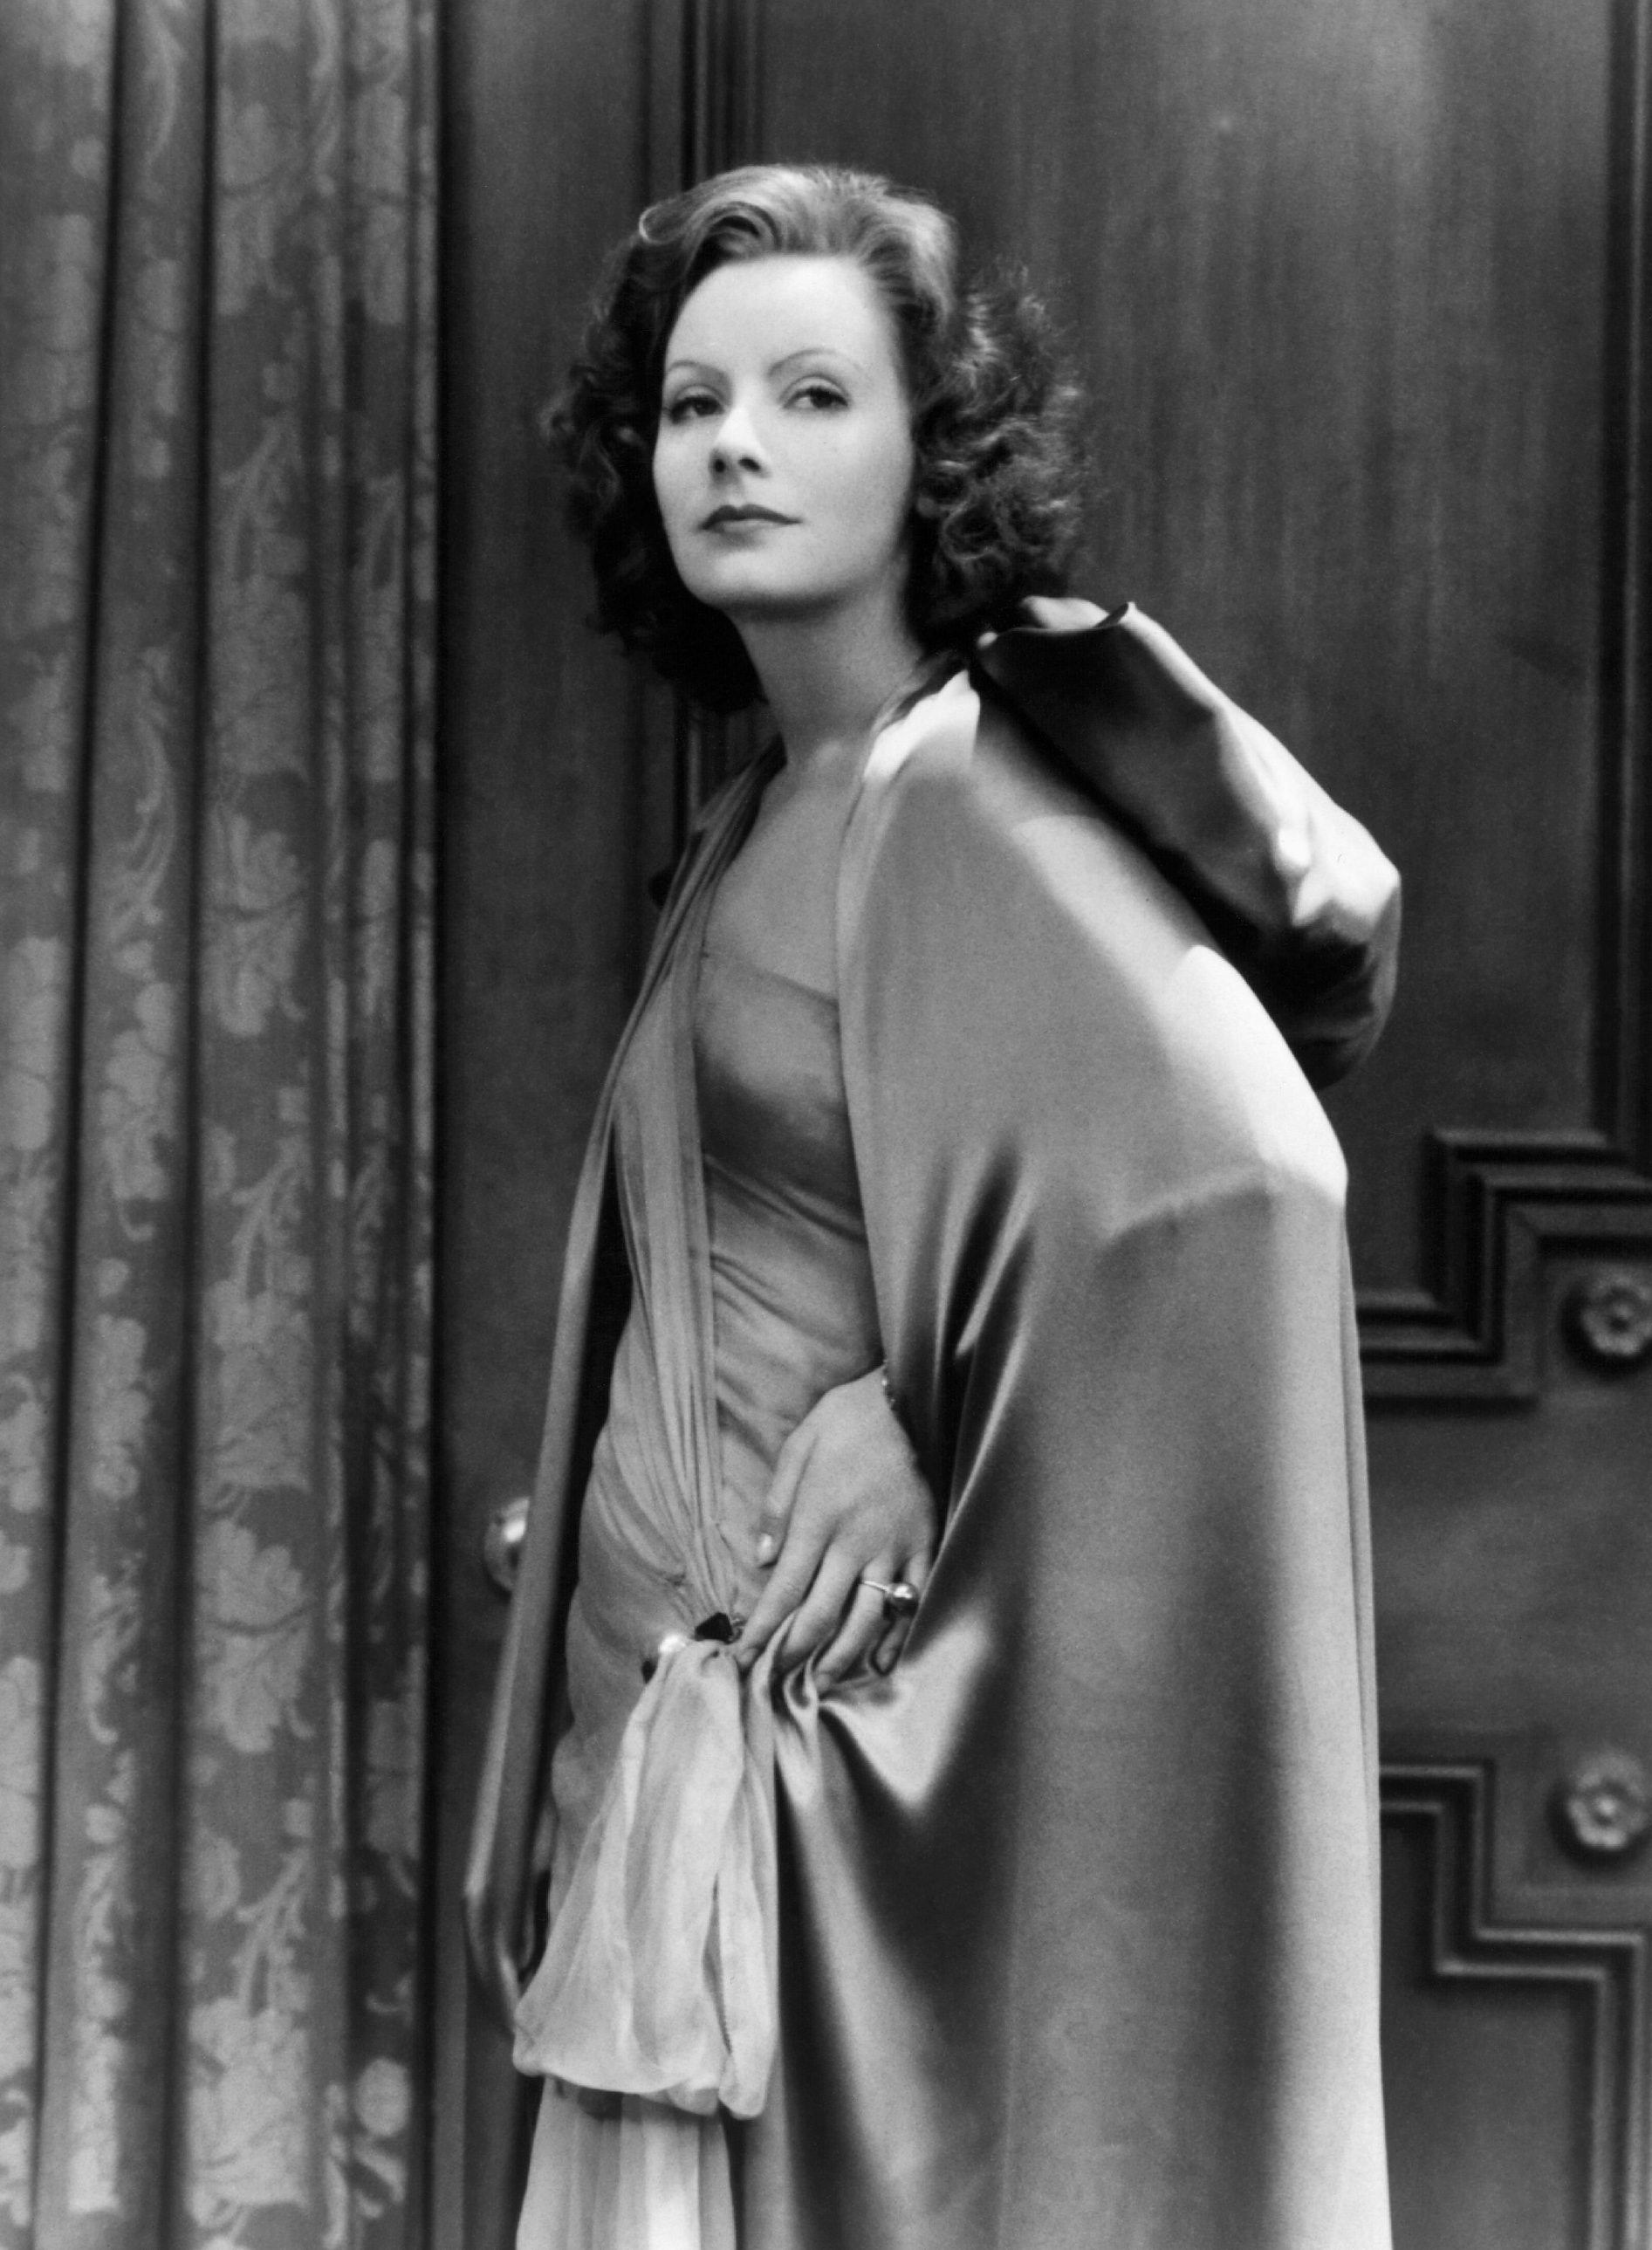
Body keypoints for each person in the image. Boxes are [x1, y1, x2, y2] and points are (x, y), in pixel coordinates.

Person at [467, 163, 1398, 2250]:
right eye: (690, 403)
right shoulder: (765, 813)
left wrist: (935, 1401)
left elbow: (1240, 1183)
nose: (734, 444)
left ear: (931, 454)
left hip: (820, 1773)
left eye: (811, 395)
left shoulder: (950, 789)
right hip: (681, 1761)